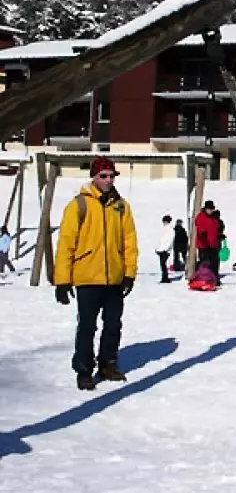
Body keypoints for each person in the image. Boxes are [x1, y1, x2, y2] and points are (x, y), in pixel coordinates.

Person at [53, 157, 138, 390]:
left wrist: (129, 273)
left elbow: (129, 241)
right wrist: (62, 281)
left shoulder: (121, 206)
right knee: (87, 327)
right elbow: (66, 244)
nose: (108, 180)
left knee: (113, 325)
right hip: (88, 278)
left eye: (112, 176)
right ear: (94, 177)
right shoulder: (79, 205)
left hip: (114, 279)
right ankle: (83, 369)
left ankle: (108, 363)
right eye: (103, 176)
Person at [194, 201, 222, 279]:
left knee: (215, 262)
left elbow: (216, 229)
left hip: (213, 244)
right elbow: (199, 227)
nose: (210, 211)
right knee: (205, 262)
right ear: (205, 209)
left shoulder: (214, 218)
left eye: (212, 209)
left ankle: (215, 278)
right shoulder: (201, 217)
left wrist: (219, 235)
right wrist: (202, 233)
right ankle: (203, 277)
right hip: (204, 245)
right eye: (209, 209)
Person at [155, 214, 173, 283]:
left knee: (163, 264)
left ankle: (165, 278)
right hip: (162, 250)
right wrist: (158, 248)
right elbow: (161, 240)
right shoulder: (165, 229)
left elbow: (169, 241)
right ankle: (164, 277)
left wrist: (165, 249)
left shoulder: (170, 230)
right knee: (162, 265)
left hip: (165, 250)